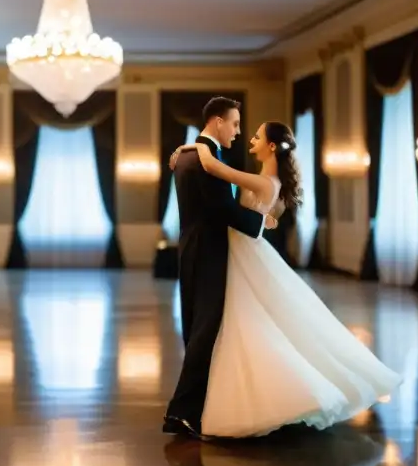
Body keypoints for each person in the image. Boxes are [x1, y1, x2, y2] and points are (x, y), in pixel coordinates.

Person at [168, 120, 401, 439]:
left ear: (272, 147)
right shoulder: (266, 178)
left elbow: (214, 168)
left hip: (244, 252)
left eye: (257, 136)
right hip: (239, 251)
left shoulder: (266, 182)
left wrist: (191, 148)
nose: (250, 138)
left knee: (250, 323)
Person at [162, 97, 277, 438]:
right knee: (204, 332)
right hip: (208, 252)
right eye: (235, 124)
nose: (239, 132)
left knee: (196, 328)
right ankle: (180, 413)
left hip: (192, 250)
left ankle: (193, 409)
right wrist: (262, 224)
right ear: (216, 122)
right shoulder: (203, 159)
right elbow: (222, 210)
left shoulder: (186, 155)